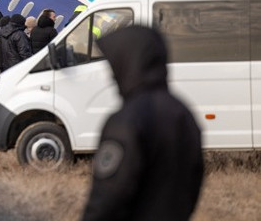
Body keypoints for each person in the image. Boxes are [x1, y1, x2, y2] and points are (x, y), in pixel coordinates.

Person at [82, 26, 203, 221]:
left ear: (128, 62)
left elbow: (108, 196)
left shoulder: (126, 120)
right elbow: (193, 185)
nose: (112, 75)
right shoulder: (183, 113)